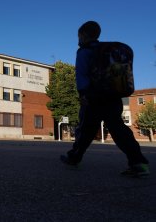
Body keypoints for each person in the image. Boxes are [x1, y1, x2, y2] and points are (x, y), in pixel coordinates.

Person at [60, 21, 150, 177]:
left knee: (85, 129)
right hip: (113, 97)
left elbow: (81, 74)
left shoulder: (84, 51)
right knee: (119, 129)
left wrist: (83, 94)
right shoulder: (108, 51)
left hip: (93, 97)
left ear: (83, 35)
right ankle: (138, 163)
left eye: (79, 36)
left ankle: (74, 157)